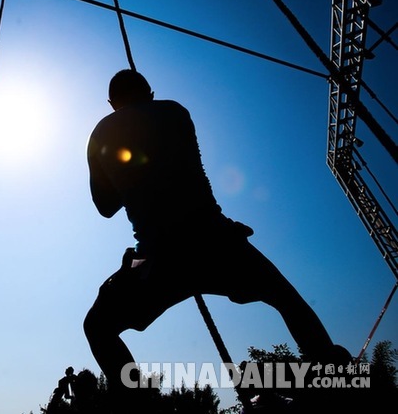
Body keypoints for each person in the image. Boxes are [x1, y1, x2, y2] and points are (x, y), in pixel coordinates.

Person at [83, 69, 350, 412]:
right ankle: (334, 377)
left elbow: (105, 207)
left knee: (98, 327)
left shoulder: (99, 134)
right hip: (214, 239)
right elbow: (185, 165)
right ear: (149, 92)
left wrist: (119, 168)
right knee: (286, 298)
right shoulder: (175, 112)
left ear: (110, 102)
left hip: (158, 257)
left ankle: (135, 405)